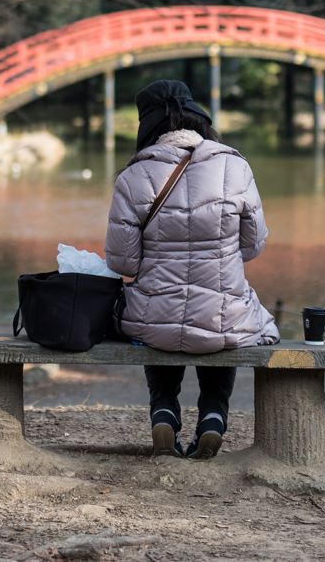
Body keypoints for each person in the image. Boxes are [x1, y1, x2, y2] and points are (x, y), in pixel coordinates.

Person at [105, 80, 279, 460]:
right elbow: (252, 247)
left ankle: (164, 412)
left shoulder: (133, 177)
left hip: (154, 322)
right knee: (226, 316)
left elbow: (123, 263)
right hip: (223, 319)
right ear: (200, 121)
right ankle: (213, 418)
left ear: (147, 128)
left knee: (155, 316)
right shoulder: (235, 167)